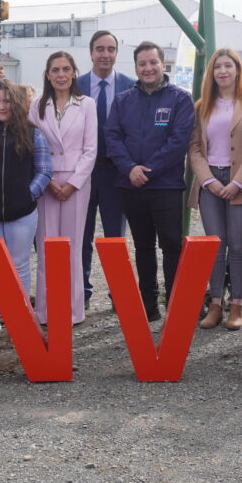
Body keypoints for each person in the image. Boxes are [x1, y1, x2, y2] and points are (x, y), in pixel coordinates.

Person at [105, 41, 195, 321]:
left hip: (165, 186)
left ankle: (176, 305)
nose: (148, 68)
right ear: (135, 68)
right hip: (131, 185)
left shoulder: (180, 98)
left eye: (152, 62)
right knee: (142, 246)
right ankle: (149, 304)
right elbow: (112, 137)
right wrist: (130, 168)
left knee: (171, 245)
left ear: (163, 64)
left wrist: (149, 170)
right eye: (142, 64)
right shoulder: (122, 100)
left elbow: (178, 142)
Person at [0, 83, 52, 335]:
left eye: (6, 101)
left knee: (19, 263)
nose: (1, 107)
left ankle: (20, 311)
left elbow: (45, 170)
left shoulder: (33, 133)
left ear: (16, 103)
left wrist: (29, 193)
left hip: (22, 212)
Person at [188, 48, 242, 331]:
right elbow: (194, 147)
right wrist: (209, 180)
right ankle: (216, 303)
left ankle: (236, 304)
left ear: (237, 70)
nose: (222, 71)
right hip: (210, 182)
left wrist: (238, 183)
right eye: (217, 67)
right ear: (212, 73)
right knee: (215, 246)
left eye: (228, 66)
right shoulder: (202, 105)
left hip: (239, 183)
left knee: (237, 246)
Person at [30, 51, 97, 327]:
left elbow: (91, 149)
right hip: (46, 180)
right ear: (47, 74)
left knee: (72, 245)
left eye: (65, 69)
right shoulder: (36, 105)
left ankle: (73, 310)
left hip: (75, 183)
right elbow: (32, 144)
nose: (60, 74)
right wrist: (46, 180)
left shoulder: (87, 104)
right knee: (46, 246)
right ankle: (45, 310)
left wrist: (72, 183)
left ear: (73, 73)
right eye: (55, 70)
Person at [76, 30, 135, 310]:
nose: (105, 54)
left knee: (115, 237)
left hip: (116, 172)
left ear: (116, 53)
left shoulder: (130, 86)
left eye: (110, 49)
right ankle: (82, 291)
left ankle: (118, 294)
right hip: (83, 173)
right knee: (82, 235)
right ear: (90, 52)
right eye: (100, 49)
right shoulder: (75, 86)